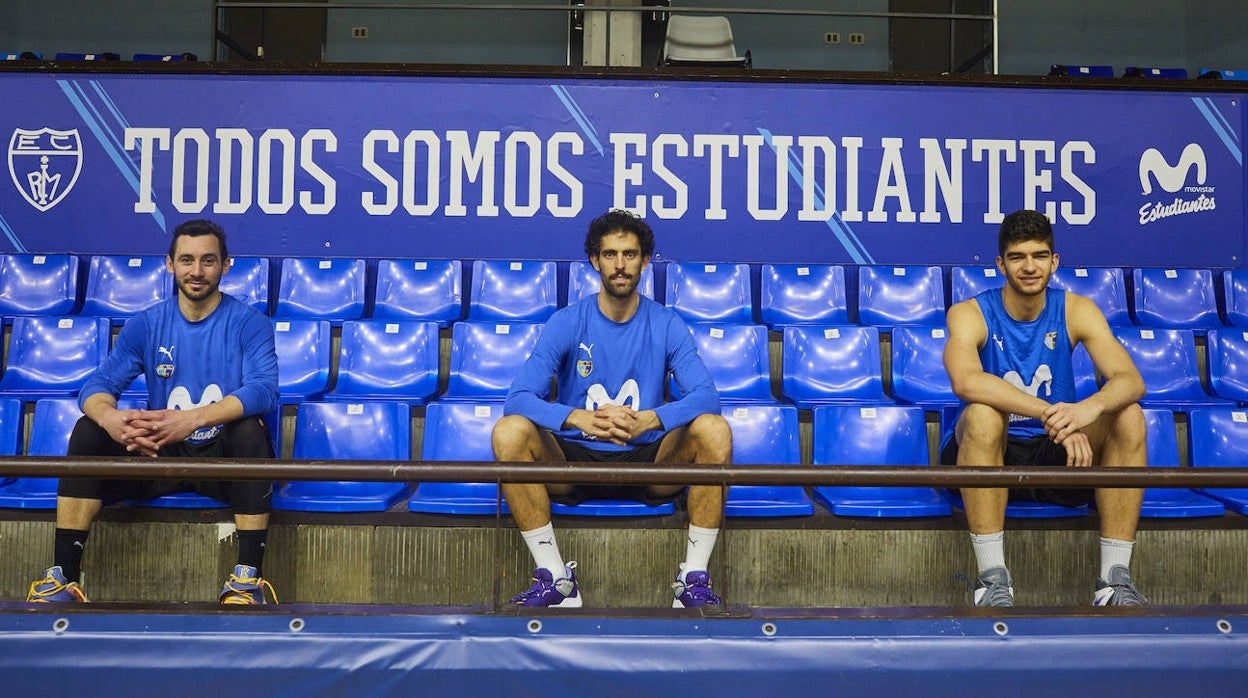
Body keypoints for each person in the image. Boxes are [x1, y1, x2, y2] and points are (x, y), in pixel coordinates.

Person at [26, 219, 281, 605]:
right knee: (88, 429)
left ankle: (248, 580)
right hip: (159, 454)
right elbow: (96, 389)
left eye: (208, 261)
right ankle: (64, 578)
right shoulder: (145, 325)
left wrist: (191, 419)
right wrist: (112, 419)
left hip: (222, 462)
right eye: (187, 260)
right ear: (169, 264)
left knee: (249, 428)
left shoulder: (250, 324)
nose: (197, 271)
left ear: (227, 266)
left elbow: (264, 391)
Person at [492, 209, 732, 608]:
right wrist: (576, 417)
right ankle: (556, 579)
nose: (620, 265)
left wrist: (651, 420)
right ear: (594, 260)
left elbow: (707, 396)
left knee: (714, 429)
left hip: (648, 458)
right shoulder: (567, 321)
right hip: (573, 459)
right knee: (509, 431)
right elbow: (517, 398)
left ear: (645, 260)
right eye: (609, 254)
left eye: (630, 254)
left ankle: (692, 580)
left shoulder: (667, 322)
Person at [941, 209, 1149, 607]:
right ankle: (992, 580)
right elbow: (966, 381)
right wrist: (1052, 414)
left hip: (1057, 455)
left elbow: (1130, 379)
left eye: (1039, 255)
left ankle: (1113, 581)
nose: (1029, 266)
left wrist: (1085, 412)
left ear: (1054, 261)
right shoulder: (969, 312)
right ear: (1000, 264)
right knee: (983, 414)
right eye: (1017, 257)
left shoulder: (1076, 309)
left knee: (1129, 414)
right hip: (986, 455)